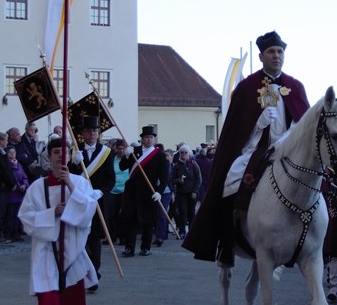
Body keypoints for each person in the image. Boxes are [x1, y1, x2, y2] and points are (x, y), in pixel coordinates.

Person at [183, 30, 310, 265]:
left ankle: (309, 238)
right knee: (230, 180)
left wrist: (293, 131)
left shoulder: (296, 86)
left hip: (288, 150)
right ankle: (226, 242)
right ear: (261, 56)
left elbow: (304, 123)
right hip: (256, 150)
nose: (276, 56)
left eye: (280, 52)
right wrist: (257, 124)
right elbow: (235, 129)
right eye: (271, 52)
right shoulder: (247, 87)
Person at [18, 137, 100, 305]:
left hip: (72, 252)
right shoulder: (38, 186)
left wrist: (72, 189)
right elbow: (26, 217)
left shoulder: (79, 183)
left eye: (64, 153)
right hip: (46, 251)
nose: (60, 157)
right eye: (56, 153)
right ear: (49, 156)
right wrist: (52, 213)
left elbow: (88, 212)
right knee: (49, 303)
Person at [75, 116, 115, 285]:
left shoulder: (106, 152)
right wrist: (75, 164)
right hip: (80, 201)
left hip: (98, 200)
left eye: (94, 131)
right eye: (88, 131)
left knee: (95, 238)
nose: (91, 134)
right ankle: (81, 271)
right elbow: (71, 177)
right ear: (83, 134)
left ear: (98, 134)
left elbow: (110, 178)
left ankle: (94, 272)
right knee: (80, 238)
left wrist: (101, 192)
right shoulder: (75, 152)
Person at [119, 126, 167, 257]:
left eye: (151, 137)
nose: (149, 140)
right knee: (130, 220)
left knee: (148, 221)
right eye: (147, 137)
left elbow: (164, 178)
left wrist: (160, 192)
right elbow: (122, 167)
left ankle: (146, 247)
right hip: (132, 191)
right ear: (142, 139)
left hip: (149, 191)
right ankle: (129, 247)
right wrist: (127, 155)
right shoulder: (134, 151)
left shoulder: (160, 155)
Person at [170, 144, 201, 236]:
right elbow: (171, 179)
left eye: (185, 152)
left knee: (191, 212)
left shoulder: (193, 164)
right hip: (181, 192)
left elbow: (199, 179)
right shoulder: (176, 165)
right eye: (181, 152)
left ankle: (192, 231)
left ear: (189, 153)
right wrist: (179, 180)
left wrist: (195, 191)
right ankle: (182, 231)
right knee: (183, 212)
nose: (183, 154)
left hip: (192, 192)